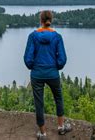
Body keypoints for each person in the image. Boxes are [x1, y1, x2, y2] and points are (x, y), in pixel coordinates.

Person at [23, 10, 72, 139]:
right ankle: (61, 127)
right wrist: (55, 67)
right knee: (58, 98)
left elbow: (28, 59)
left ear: (41, 20)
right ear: (51, 20)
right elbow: (62, 59)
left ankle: (43, 133)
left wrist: (34, 67)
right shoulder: (57, 37)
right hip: (52, 73)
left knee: (39, 102)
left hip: (37, 74)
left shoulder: (33, 36)